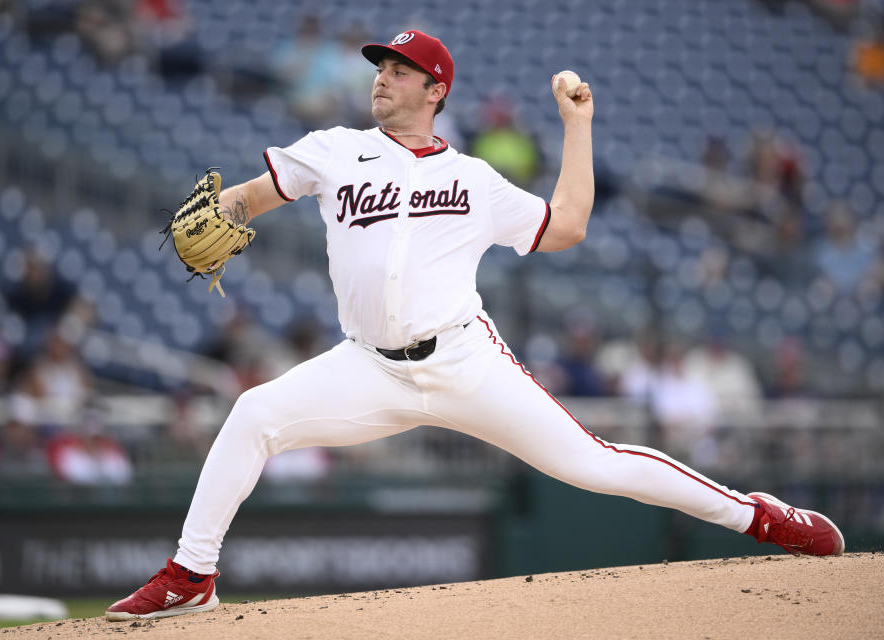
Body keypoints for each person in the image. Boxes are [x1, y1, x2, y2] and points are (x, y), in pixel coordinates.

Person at [106, 30, 845, 621]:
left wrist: (576, 125)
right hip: (368, 367)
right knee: (253, 412)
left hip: (465, 362)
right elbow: (252, 196)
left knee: (597, 465)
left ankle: (758, 516)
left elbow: (570, 226)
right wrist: (220, 209)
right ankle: (191, 575)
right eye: (381, 67)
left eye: (400, 70)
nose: (382, 77)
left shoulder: (472, 180)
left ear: (435, 90)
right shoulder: (333, 149)